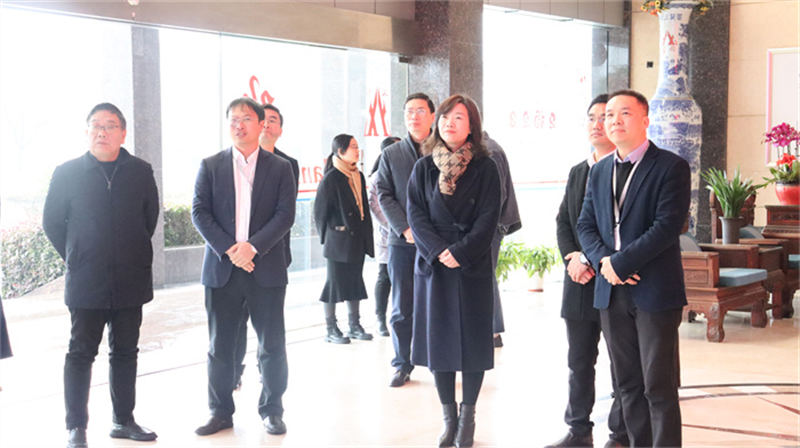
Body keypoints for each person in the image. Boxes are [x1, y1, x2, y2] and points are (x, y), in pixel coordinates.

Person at [42, 103, 160, 448]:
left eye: (109, 126)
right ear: (87, 131)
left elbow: (149, 218)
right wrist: (77, 256)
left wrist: (130, 253)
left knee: (125, 352)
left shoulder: (140, 171)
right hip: (86, 280)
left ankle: (123, 420)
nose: (102, 132)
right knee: (80, 353)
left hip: (130, 279)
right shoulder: (67, 173)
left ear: (123, 133)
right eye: (95, 125)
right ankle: (76, 427)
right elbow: (52, 223)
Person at [577, 89, 689, 447]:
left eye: (624, 113)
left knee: (659, 385)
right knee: (626, 383)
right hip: (611, 291)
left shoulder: (671, 166)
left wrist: (622, 263)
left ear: (645, 120)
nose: (614, 121)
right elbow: (585, 225)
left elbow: (667, 226)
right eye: (609, 115)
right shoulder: (599, 171)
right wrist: (605, 262)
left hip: (655, 290)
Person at [192, 97, 296, 437]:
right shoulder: (211, 165)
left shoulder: (280, 168)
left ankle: (272, 410)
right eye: (233, 119)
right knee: (220, 346)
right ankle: (219, 411)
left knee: (272, 344)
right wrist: (230, 249)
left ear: (261, 124)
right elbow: (199, 212)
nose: (239, 125)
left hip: (265, 268)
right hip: (222, 269)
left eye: (246, 118)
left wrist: (252, 247)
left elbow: (285, 215)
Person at [406, 94, 501, 448]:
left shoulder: (486, 167)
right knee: (440, 345)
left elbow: (489, 217)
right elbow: (415, 214)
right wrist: (438, 251)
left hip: (471, 264)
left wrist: (460, 252)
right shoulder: (423, 167)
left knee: (473, 345)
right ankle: (449, 417)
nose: (449, 123)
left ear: (472, 125)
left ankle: (468, 417)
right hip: (434, 267)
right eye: (446, 117)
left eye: (459, 117)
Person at [548, 94, 628, 448]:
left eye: (604, 117)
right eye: (592, 118)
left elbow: (620, 231)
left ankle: (621, 433)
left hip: (615, 280)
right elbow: (564, 222)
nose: (598, 124)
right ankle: (578, 429)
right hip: (579, 282)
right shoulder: (578, 171)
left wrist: (592, 260)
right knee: (579, 361)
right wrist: (572, 259)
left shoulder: (627, 170)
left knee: (621, 363)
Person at [233, 103, 299, 390]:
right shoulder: (232, 162)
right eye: (264, 119)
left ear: (279, 129)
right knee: (235, 323)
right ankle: (234, 372)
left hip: (272, 254)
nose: (268, 125)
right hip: (235, 257)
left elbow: (284, 213)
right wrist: (240, 250)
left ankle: (267, 376)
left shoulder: (287, 165)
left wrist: (255, 247)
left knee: (270, 327)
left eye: (273, 120)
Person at [376, 92, 436, 387]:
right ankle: (402, 363)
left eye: (420, 110)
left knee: (437, 302)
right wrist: (404, 229)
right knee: (402, 306)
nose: (414, 116)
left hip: (438, 242)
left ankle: (438, 360)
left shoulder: (444, 149)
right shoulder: (392, 154)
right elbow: (383, 194)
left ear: (433, 116)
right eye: (409, 111)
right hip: (403, 242)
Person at [314, 134, 375, 344]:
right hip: (338, 241)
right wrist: (328, 237)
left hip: (357, 239)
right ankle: (331, 328)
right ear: (340, 151)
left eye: (357, 147)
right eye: (353, 147)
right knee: (334, 284)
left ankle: (354, 325)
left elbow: (363, 208)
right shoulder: (332, 178)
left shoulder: (358, 175)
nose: (358, 151)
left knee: (355, 282)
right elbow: (320, 212)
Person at [483, 131, 521, 348]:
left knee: (485, 275)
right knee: (485, 275)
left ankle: (493, 331)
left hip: (492, 225)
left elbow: (499, 194)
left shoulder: (490, 150)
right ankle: (492, 330)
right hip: (489, 225)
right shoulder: (482, 147)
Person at [368, 136, 401, 337]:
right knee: (385, 277)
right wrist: (396, 226)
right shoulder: (377, 177)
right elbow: (376, 207)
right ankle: (380, 317)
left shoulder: (403, 170)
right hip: (387, 234)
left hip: (405, 234)